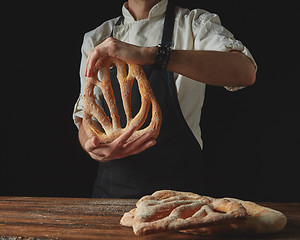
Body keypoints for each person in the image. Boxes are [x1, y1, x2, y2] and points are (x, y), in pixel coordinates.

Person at [73, 0, 257, 198]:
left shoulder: (194, 25)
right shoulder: (97, 38)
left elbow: (244, 72)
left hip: (179, 199)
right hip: (109, 196)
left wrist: (153, 55)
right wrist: (91, 146)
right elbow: (87, 116)